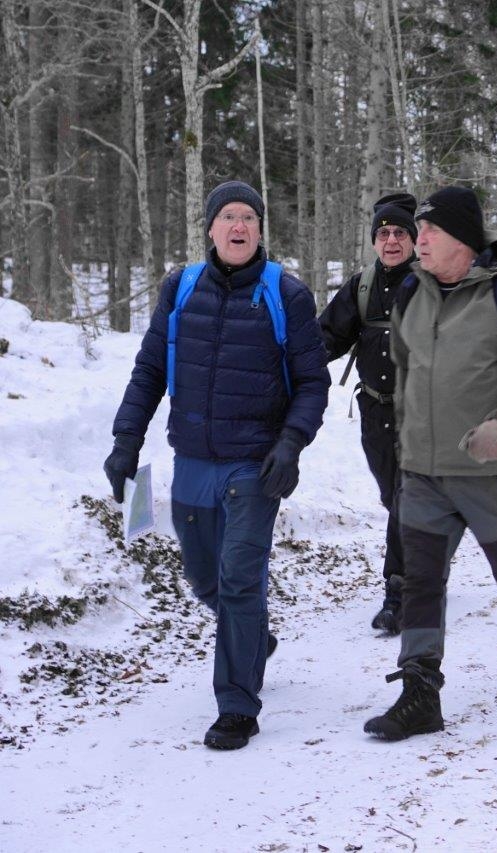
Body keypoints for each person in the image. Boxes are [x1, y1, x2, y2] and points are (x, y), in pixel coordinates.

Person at [104, 180, 331, 750]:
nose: (238, 225)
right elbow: (150, 370)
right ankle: (253, 638)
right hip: (193, 461)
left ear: (259, 229)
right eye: (228, 215)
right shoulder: (180, 288)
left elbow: (312, 382)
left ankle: (236, 707)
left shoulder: (286, 294)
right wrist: (126, 440)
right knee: (202, 576)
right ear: (210, 228)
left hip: (254, 465)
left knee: (238, 581)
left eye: (248, 217)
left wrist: (290, 443)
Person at [363, 186, 497, 741]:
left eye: (430, 231)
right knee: (421, 582)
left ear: (462, 241)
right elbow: (404, 371)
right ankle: (419, 692)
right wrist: (404, 441)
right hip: (423, 473)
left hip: (489, 474)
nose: (418, 239)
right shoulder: (412, 291)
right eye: (418, 231)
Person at [319, 192, 418, 634]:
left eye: (399, 233)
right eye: (384, 233)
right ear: (375, 240)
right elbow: (326, 338)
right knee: (391, 494)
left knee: (406, 497)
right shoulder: (360, 287)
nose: (391, 240)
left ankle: (398, 593)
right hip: (375, 407)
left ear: (413, 239)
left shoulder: (433, 284)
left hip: (421, 413)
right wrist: (284, 367)